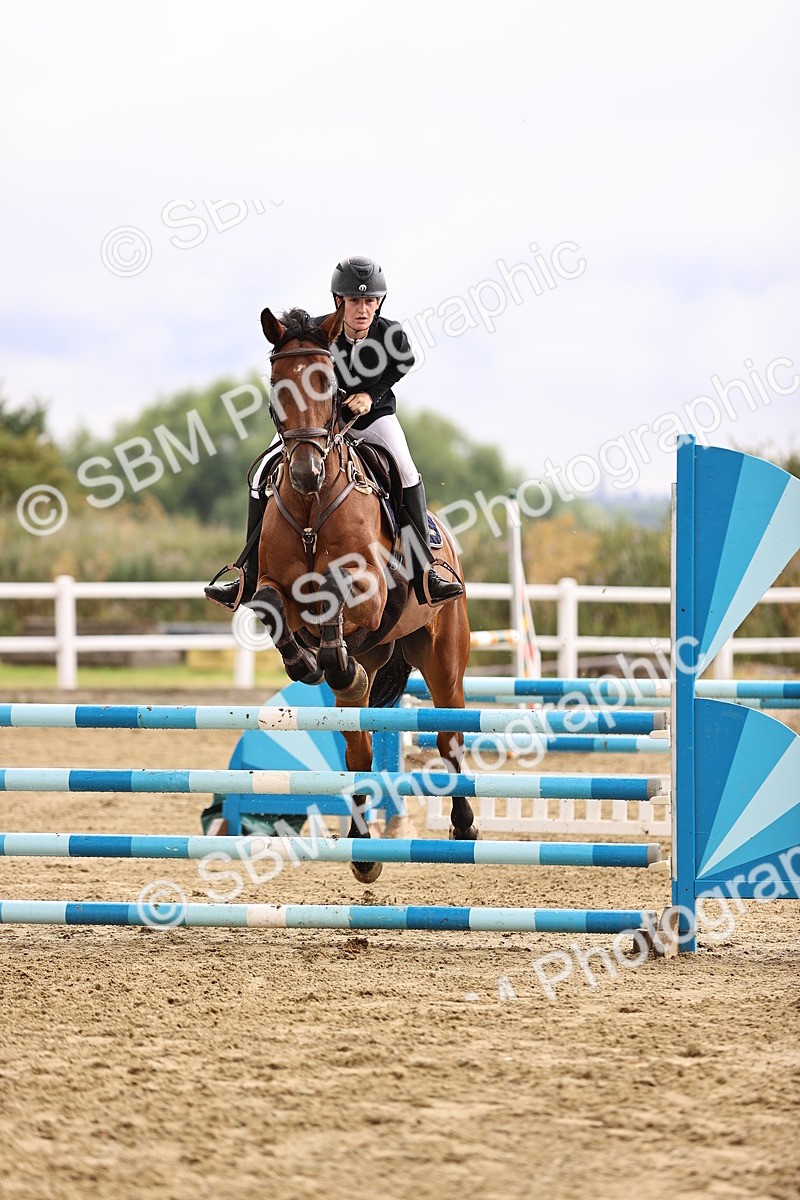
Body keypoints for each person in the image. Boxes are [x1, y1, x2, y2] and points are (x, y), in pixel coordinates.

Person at [204, 255, 463, 609]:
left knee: (405, 470)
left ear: (379, 303)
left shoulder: (391, 334)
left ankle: (425, 571)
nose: (363, 309)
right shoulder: (320, 330)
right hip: (320, 426)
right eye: (355, 301)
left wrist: (371, 396)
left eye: (370, 300)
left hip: (374, 420)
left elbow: (404, 363)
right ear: (338, 302)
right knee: (261, 472)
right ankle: (247, 574)